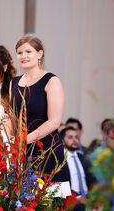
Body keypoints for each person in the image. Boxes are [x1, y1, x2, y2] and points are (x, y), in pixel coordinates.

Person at [8, 35, 70, 187]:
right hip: (21, 152)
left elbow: (54, 121)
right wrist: (9, 139)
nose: (24, 56)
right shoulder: (13, 82)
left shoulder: (51, 81)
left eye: (28, 52)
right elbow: (12, 117)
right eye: (20, 53)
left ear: (40, 54)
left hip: (47, 151)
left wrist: (26, 140)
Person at [61, 127, 96, 211]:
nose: (74, 140)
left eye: (76, 137)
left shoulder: (83, 157)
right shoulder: (60, 160)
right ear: (62, 140)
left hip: (88, 197)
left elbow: (92, 179)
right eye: (70, 137)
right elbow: (60, 184)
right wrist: (78, 197)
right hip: (70, 198)